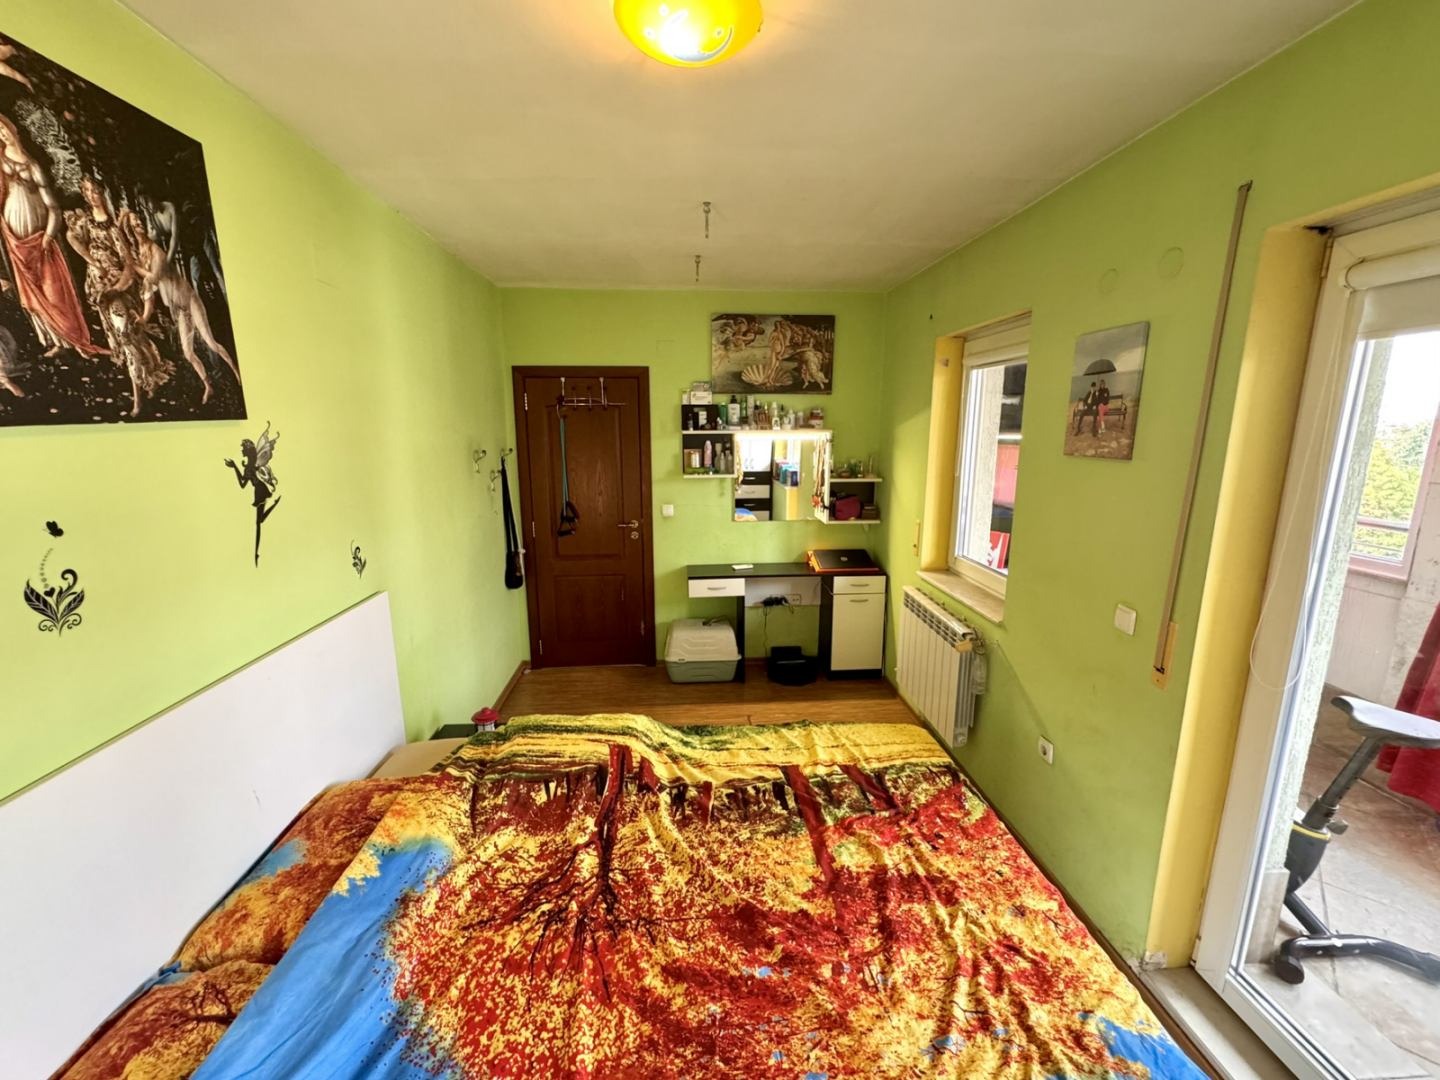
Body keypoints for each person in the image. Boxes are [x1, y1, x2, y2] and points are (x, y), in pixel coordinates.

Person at [65, 176, 172, 417]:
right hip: (98, 288)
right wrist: (92, 261)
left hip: (117, 290)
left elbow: (128, 265)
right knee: (125, 339)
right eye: (88, 191)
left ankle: (138, 398)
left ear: (102, 193)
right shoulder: (86, 222)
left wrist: (116, 289)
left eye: (96, 190)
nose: (92, 195)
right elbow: (71, 238)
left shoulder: (114, 228)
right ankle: (147, 383)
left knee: (127, 337)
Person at [0, 112, 101, 360]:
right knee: (32, 293)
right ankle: (53, 340)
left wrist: (48, 235)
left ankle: (74, 338)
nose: (3, 135)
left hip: (41, 239)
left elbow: (52, 206)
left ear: (14, 129)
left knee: (55, 291)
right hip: (15, 241)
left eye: (4, 129)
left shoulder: (33, 166)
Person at [124, 210, 240, 404]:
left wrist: (133, 266)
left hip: (190, 300)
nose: (140, 224)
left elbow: (155, 276)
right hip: (179, 309)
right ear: (130, 230)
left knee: (210, 342)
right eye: (135, 223)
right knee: (188, 353)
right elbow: (148, 290)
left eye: (139, 221)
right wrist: (144, 317)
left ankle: (237, 372)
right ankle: (208, 385)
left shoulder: (155, 249)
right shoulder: (142, 255)